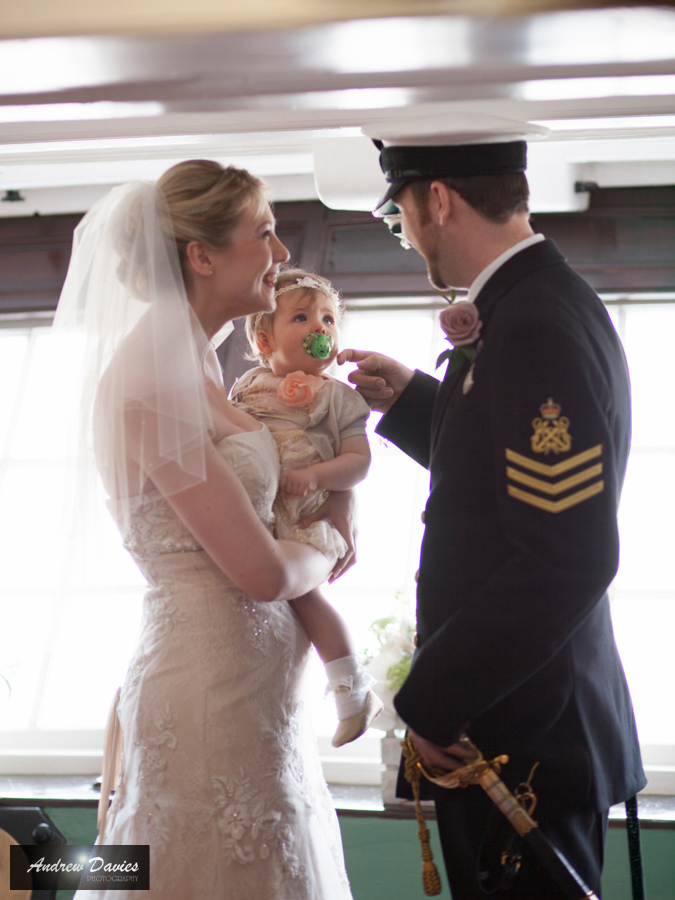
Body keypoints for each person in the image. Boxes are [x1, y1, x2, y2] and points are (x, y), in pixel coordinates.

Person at [339, 130, 646, 898]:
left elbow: (563, 555)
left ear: (436, 200)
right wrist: (412, 399)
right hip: (526, 714)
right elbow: (510, 471)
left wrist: (433, 704)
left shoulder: (534, 321)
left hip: (521, 735)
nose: (405, 236)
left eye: (396, 216)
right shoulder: (530, 303)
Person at [55, 159, 355, 899]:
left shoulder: (200, 364)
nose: (282, 256)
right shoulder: (152, 378)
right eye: (266, 232)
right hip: (206, 689)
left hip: (252, 692)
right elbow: (259, 574)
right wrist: (330, 547)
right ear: (201, 255)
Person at [231, 266, 383, 747]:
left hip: (306, 519)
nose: (321, 328)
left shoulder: (339, 397)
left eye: (329, 319)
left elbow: (359, 463)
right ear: (262, 337)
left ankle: (352, 690)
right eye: (301, 317)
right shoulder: (246, 388)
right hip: (260, 515)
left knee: (306, 597)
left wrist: (317, 476)